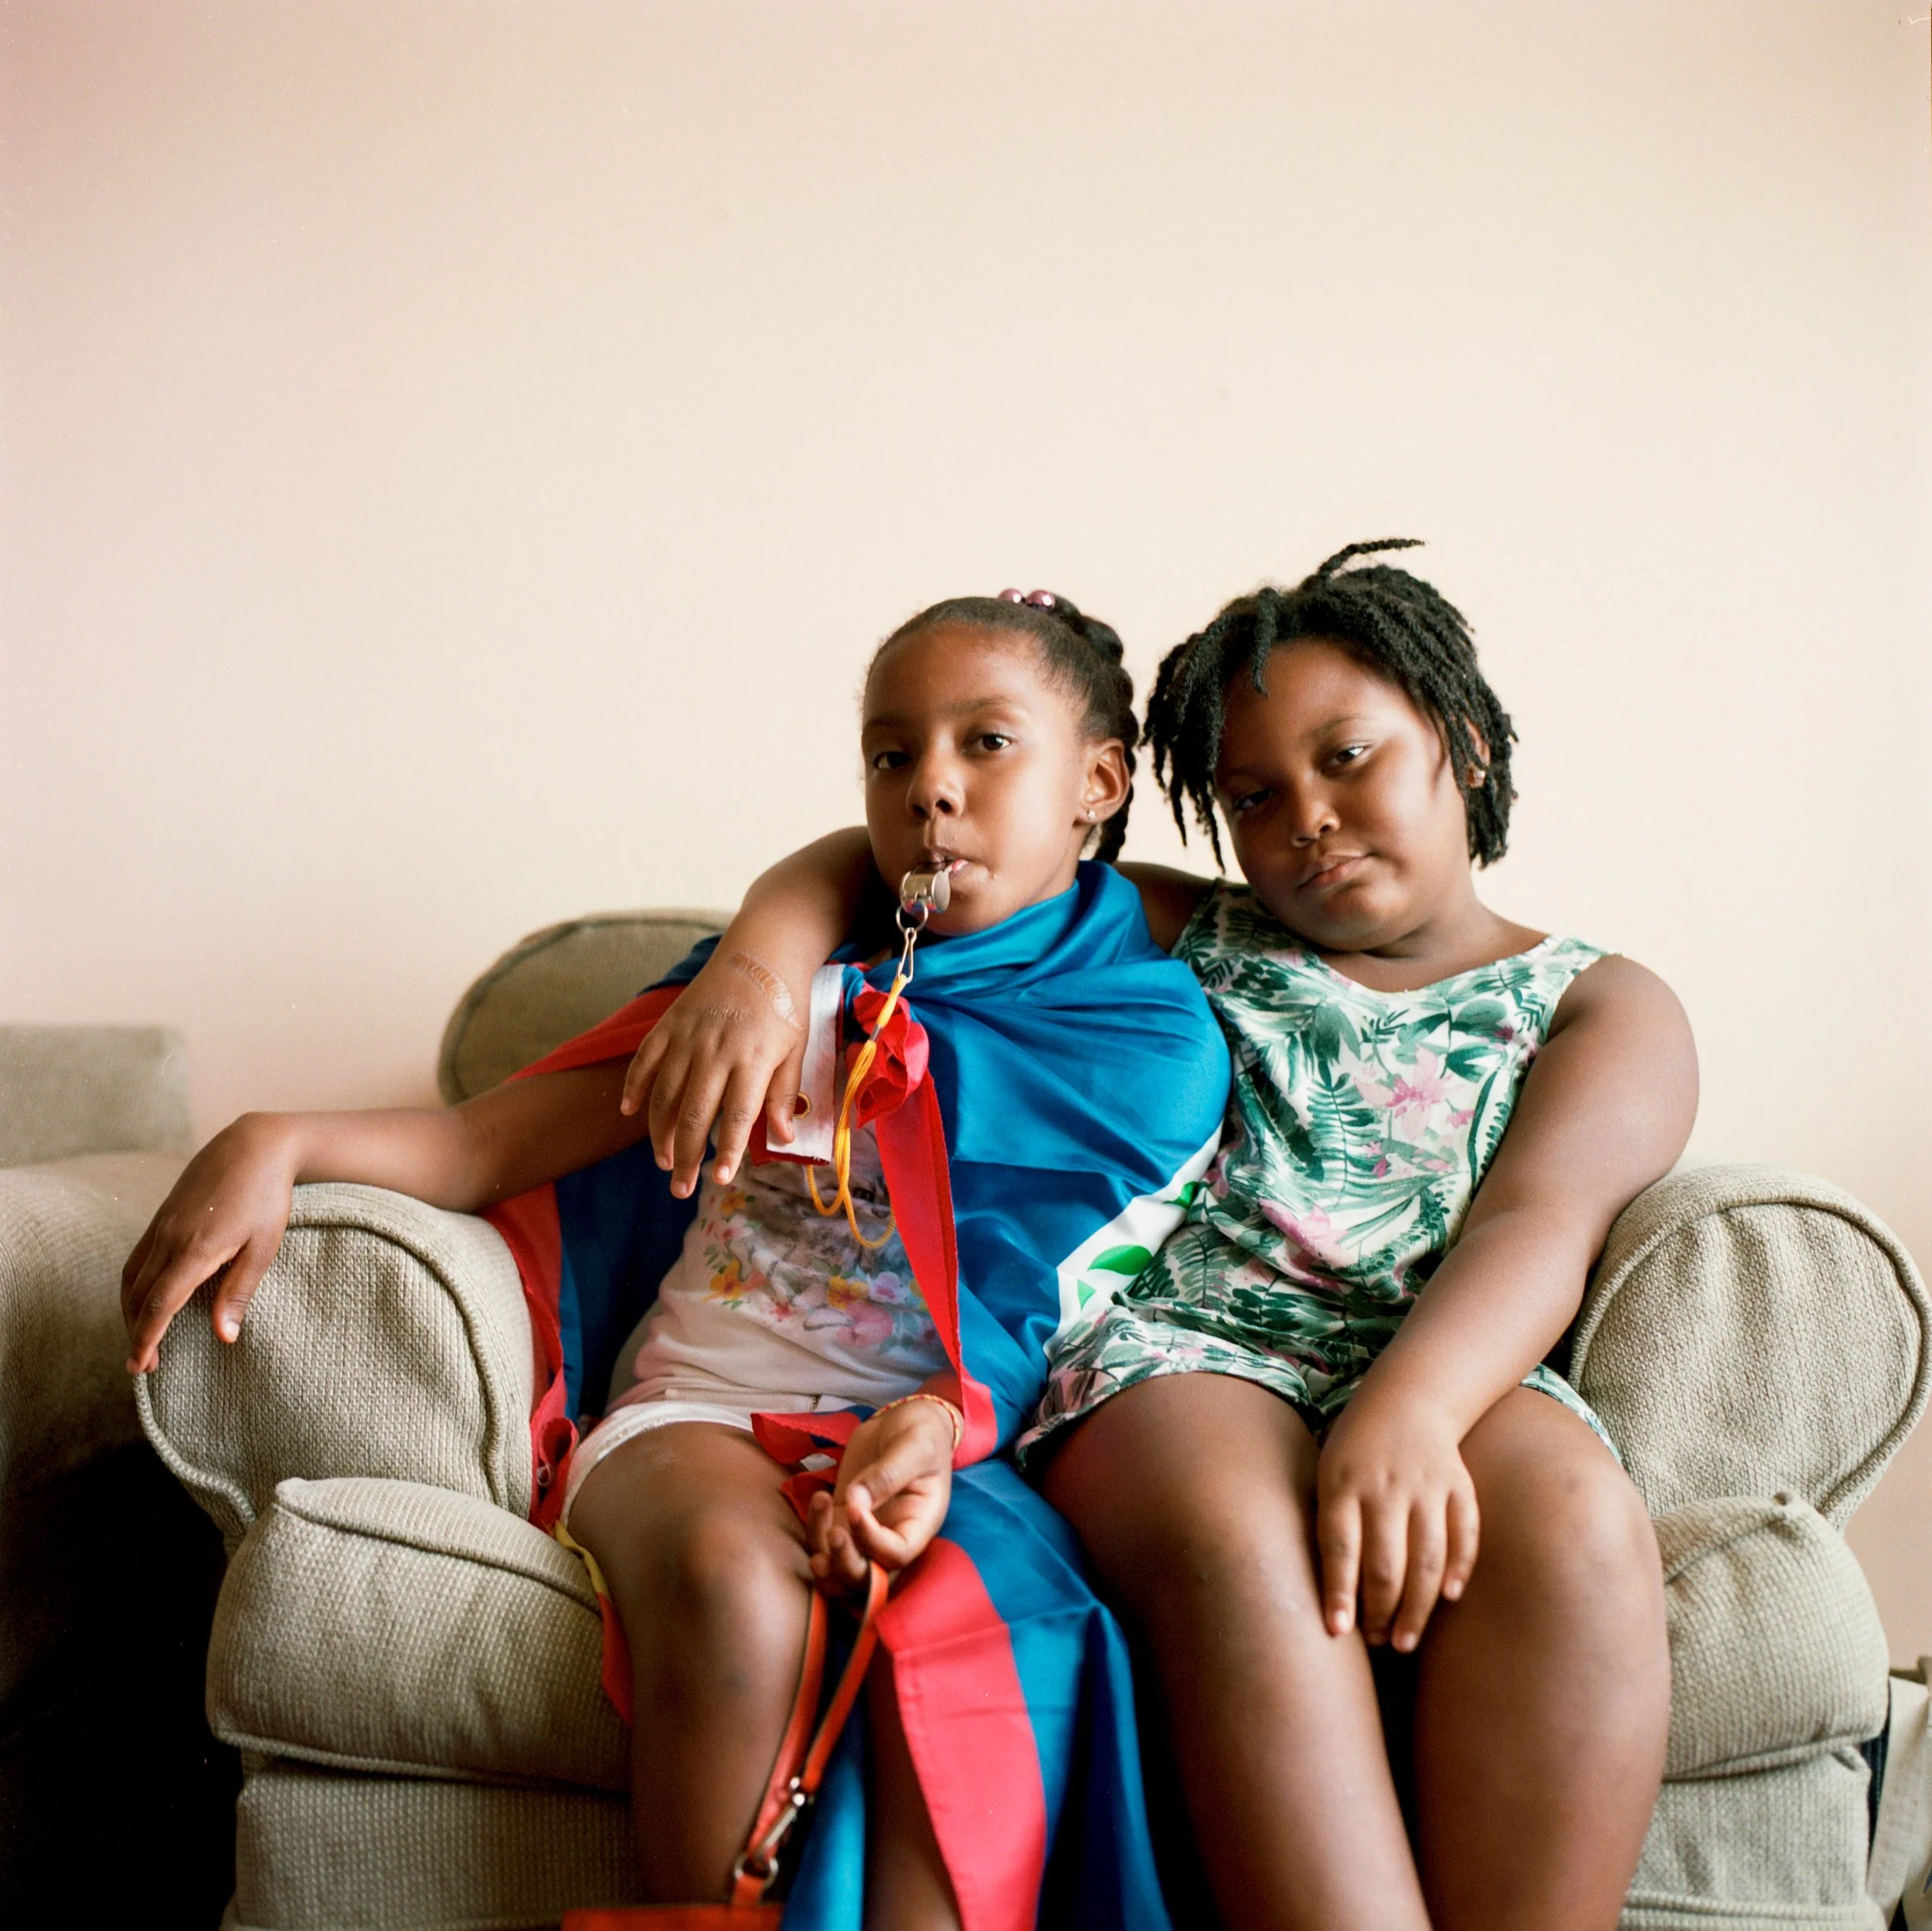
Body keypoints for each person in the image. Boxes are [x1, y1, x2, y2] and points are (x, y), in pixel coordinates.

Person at [121, 589, 1229, 1931]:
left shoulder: (1147, 1036)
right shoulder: (767, 992)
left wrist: (932, 1430)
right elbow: (482, 1144)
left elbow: (1069, 1294)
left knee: (995, 1649)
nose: (931, 788)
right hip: (695, 1410)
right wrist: (278, 1136)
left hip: (947, 1438)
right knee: (730, 1581)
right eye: (891, 753)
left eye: (986, 744)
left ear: (1097, 785)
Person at [681, 543, 1698, 1931]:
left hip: (1451, 1356)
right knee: (1235, 1525)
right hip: (1179, 1352)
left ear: (1458, 738)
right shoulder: (1186, 928)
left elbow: (1541, 1218)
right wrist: (755, 955)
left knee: (1577, 1519)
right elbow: (906, 857)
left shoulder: (1601, 1001)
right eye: (1255, 797)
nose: (1312, 821)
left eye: (1350, 759)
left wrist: (1406, 1410)